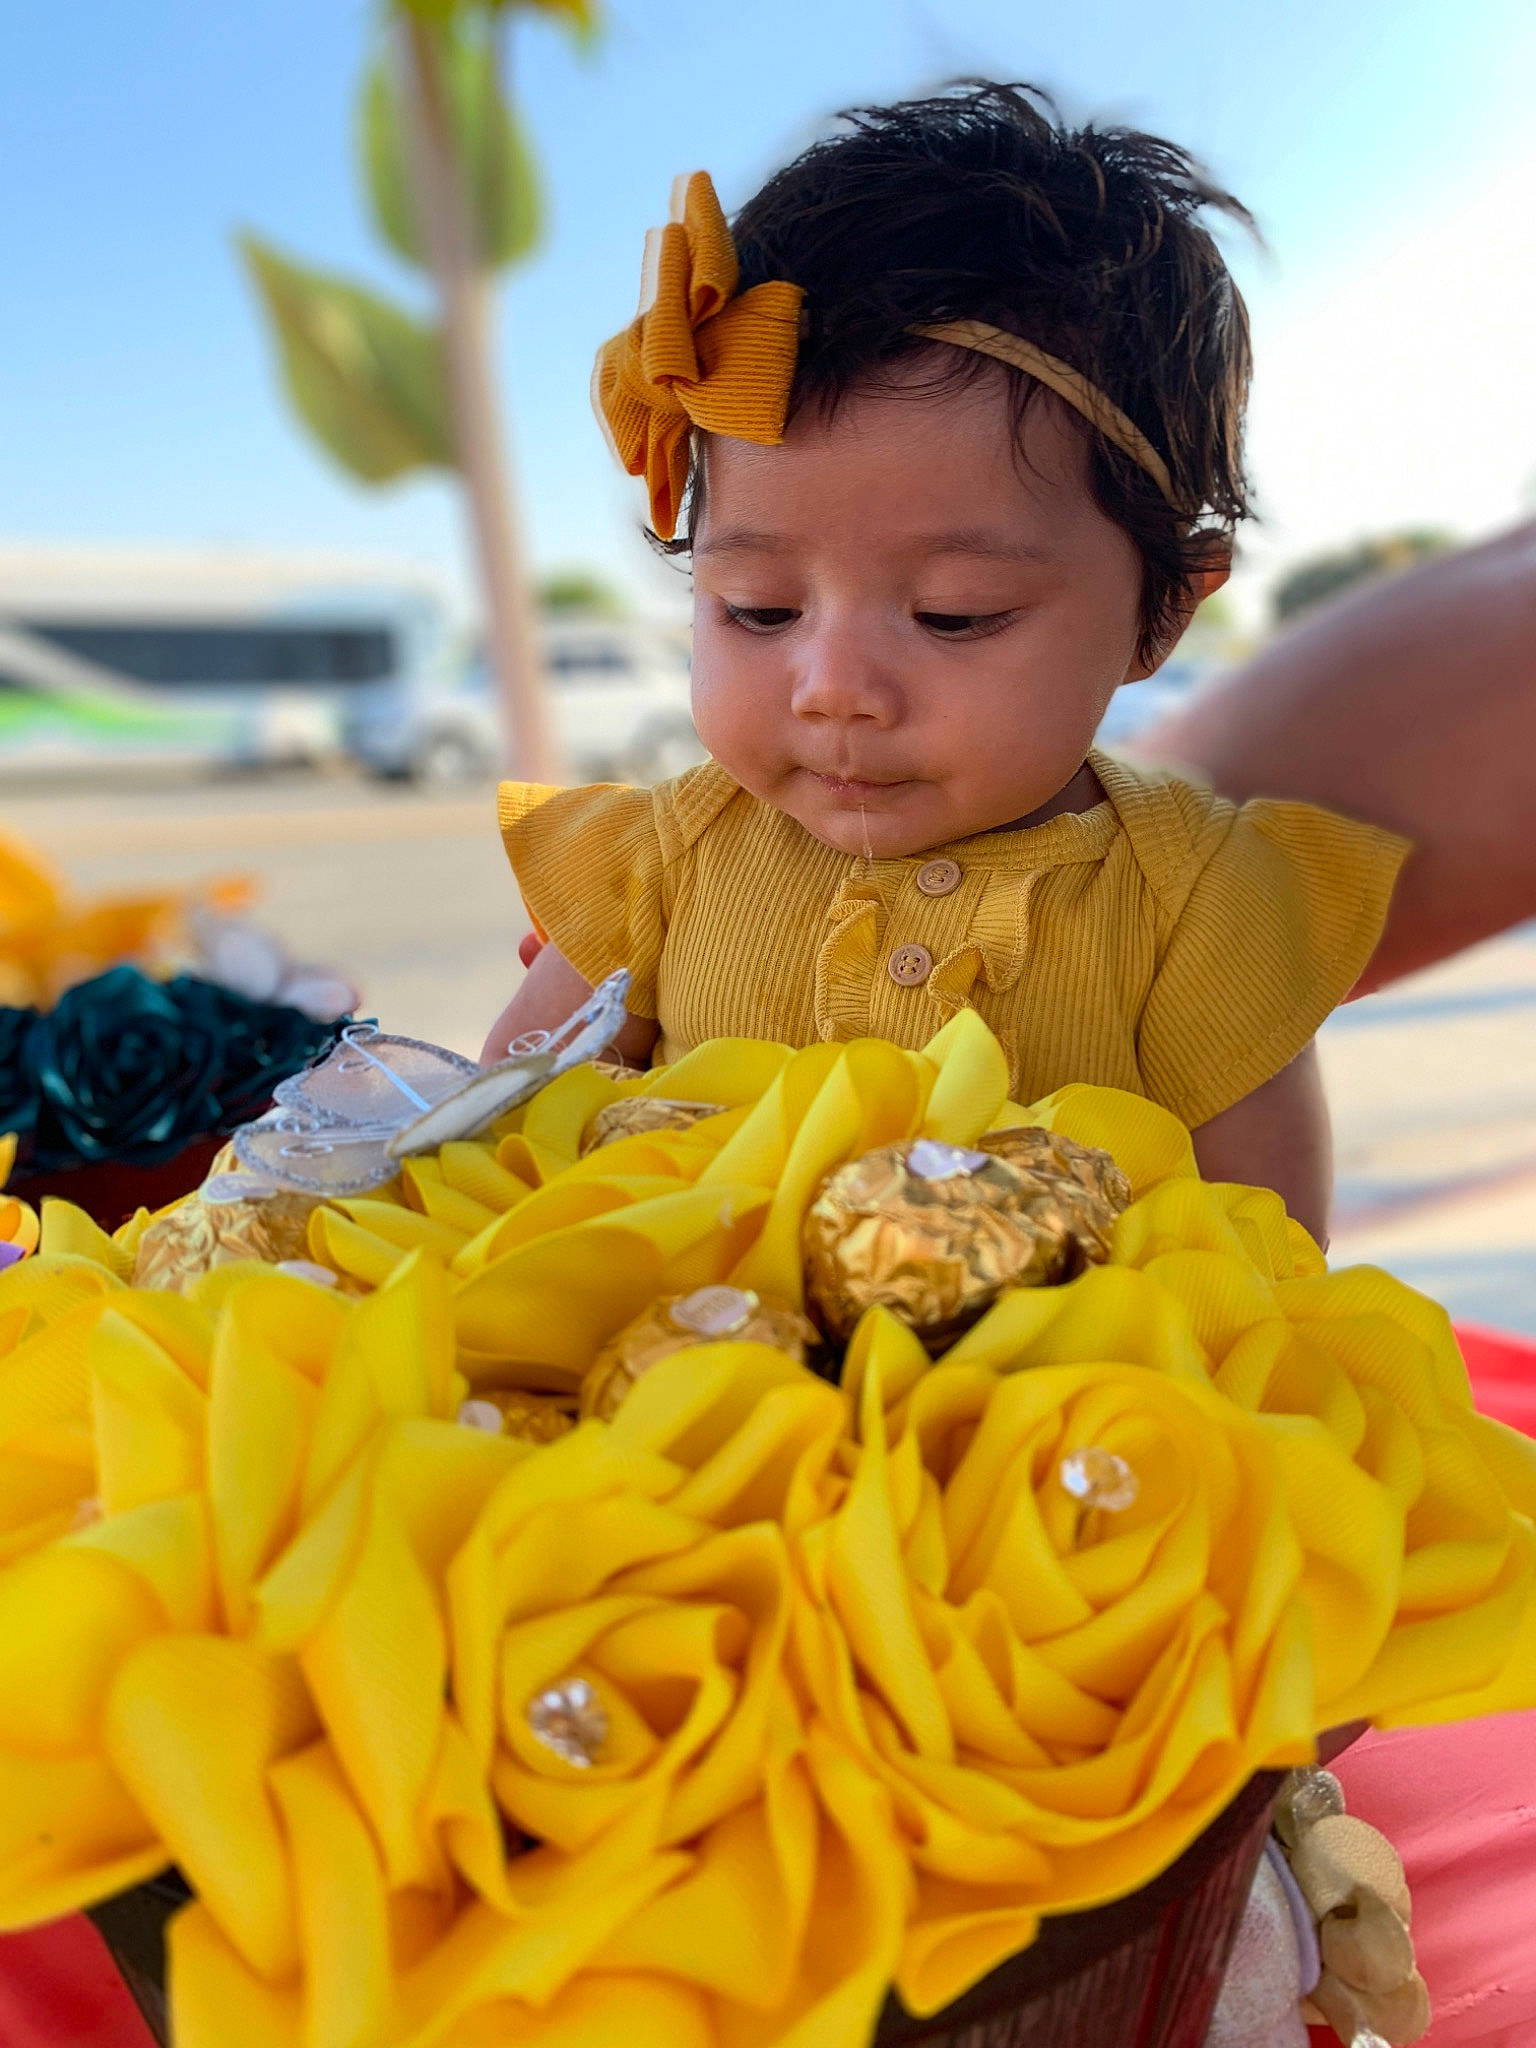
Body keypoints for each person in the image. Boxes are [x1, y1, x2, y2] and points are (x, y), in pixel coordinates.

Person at [482, 85, 1410, 1244]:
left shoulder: (1196, 910)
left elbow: (1267, 1269)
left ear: (1161, 611)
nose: (833, 686)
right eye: (757, 607)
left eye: (955, 614)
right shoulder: (653, 867)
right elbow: (492, 1156)